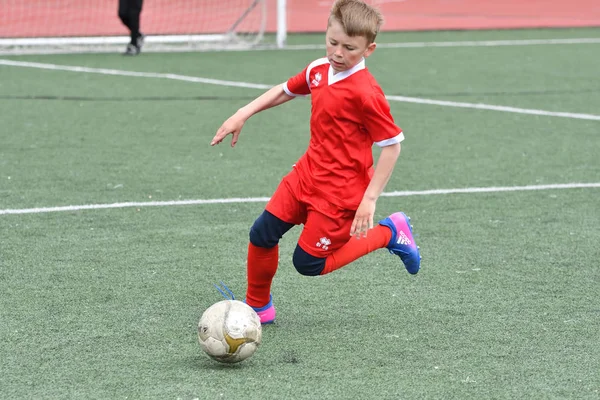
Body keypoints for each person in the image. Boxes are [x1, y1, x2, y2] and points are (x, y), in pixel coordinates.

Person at [210, 0, 421, 324]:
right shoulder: (319, 70)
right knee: (262, 233)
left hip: (341, 192)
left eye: (349, 48)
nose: (337, 52)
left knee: (308, 263)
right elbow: (286, 90)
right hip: (306, 175)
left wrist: (370, 199)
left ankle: (389, 233)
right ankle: (259, 308)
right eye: (332, 42)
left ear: (369, 49)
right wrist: (243, 113)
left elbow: (392, 146)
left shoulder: (366, 93)